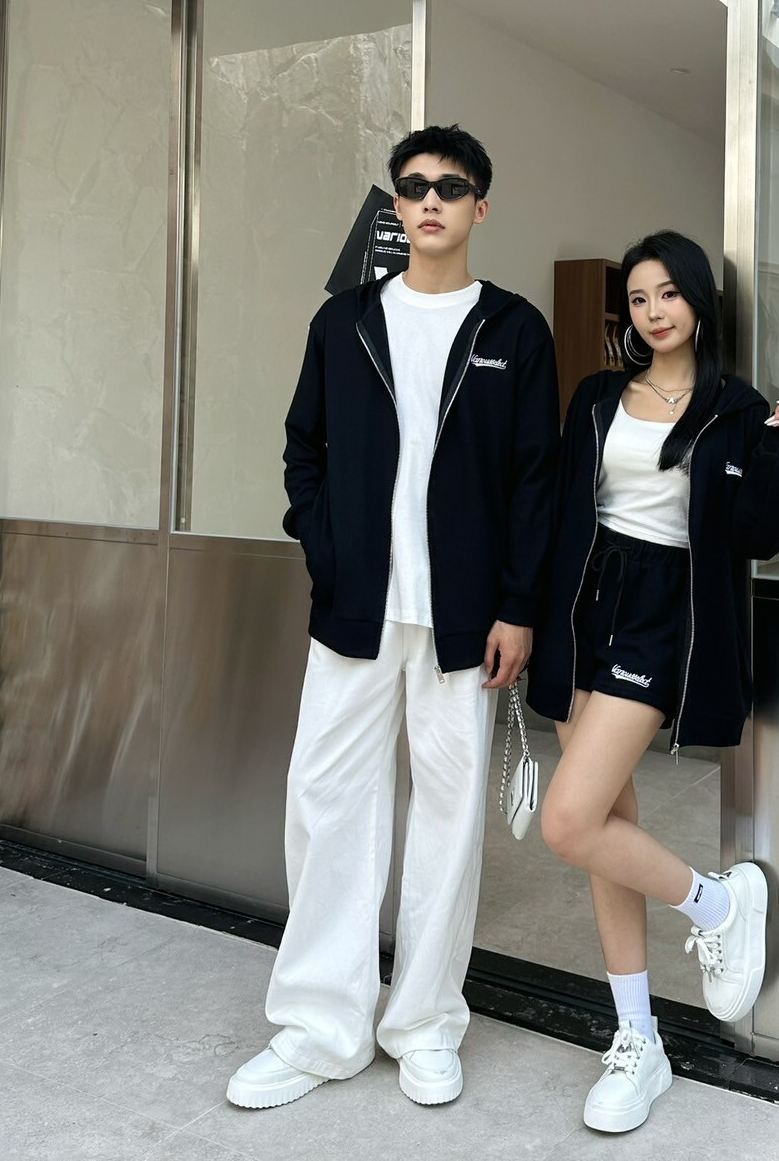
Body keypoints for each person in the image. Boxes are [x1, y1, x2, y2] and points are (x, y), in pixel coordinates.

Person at [228, 125, 559, 1111]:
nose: (430, 202)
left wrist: (517, 605)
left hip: (463, 619)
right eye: (414, 187)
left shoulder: (514, 330)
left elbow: (536, 481)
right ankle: (319, 1026)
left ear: (479, 207)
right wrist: (324, 547)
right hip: (357, 610)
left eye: (450, 187)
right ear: (398, 203)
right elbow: (304, 448)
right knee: (326, 803)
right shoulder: (345, 322)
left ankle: (423, 1023)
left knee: (447, 822)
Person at [528, 229, 779, 1134]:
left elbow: (755, 533)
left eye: (668, 295)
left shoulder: (737, 407)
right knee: (604, 825)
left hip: (662, 611)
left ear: (698, 300)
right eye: (639, 299)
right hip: (584, 601)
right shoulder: (598, 394)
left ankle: (718, 904)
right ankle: (638, 1038)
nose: (653, 313)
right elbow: (562, 508)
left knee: (569, 821)